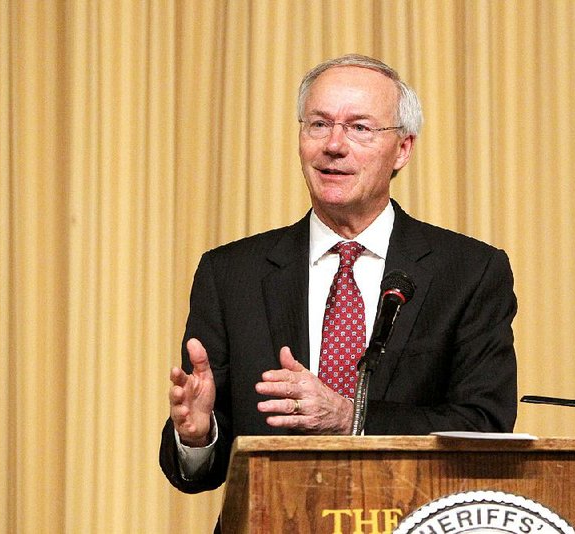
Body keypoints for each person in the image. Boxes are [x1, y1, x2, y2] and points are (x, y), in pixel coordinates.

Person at [160, 54, 518, 518]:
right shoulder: (231, 273)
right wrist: (197, 435)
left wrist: (351, 418)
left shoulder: (468, 271)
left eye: (360, 128)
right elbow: (199, 470)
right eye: (318, 124)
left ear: (403, 149)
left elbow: (485, 426)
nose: (334, 145)